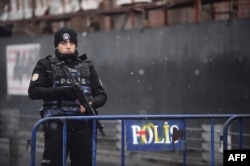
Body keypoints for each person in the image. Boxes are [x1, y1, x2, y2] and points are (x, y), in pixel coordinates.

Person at [28, 26, 107, 166]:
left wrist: (90, 103)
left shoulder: (87, 66)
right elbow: (34, 91)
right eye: (64, 43)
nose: (68, 46)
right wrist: (62, 91)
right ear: (57, 45)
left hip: (83, 127)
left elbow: (101, 95)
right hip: (56, 127)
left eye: (71, 43)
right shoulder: (45, 65)